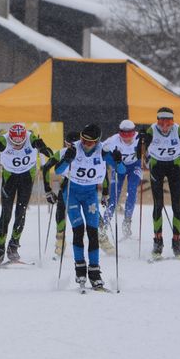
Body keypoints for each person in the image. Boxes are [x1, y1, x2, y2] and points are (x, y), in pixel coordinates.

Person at [54, 124, 126, 289]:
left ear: (97, 142)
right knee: (78, 231)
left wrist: (118, 160)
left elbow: (120, 170)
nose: (85, 144)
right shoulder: (73, 149)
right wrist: (67, 159)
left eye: (89, 142)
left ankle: (94, 272)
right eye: (83, 140)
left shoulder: (102, 151)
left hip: (90, 195)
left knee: (93, 233)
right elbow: (58, 171)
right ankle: (80, 269)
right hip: (71, 194)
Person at [0, 123, 54, 265]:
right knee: (6, 213)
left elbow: (50, 154)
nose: (17, 146)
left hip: (26, 177)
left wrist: (42, 147)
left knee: (21, 212)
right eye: (14, 143)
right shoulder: (3, 139)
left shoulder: (31, 138)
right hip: (10, 177)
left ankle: (13, 247)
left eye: (20, 143)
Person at [140, 106, 180, 258]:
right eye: (162, 123)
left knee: (176, 205)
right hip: (157, 167)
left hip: (173, 167)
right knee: (158, 204)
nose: (165, 127)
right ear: (157, 121)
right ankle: (158, 242)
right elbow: (139, 148)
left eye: (169, 123)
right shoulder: (152, 130)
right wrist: (142, 141)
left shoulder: (178, 130)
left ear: (173, 121)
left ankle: (177, 243)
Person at [41, 131, 80, 258]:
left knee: (90, 211)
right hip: (68, 184)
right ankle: (60, 239)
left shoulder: (85, 152)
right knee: (61, 210)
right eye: (70, 145)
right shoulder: (63, 152)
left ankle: (101, 237)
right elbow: (46, 167)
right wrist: (48, 190)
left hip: (82, 185)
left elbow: (46, 168)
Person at [101, 119, 142, 236]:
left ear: (134, 133)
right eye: (124, 134)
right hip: (119, 167)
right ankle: (104, 224)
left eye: (130, 134)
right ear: (119, 133)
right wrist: (111, 161)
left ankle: (127, 221)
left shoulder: (140, 138)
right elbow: (100, 151)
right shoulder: (112, 141)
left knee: (132, 191)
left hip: (134, 166)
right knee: (114, 196)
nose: (127, 138)